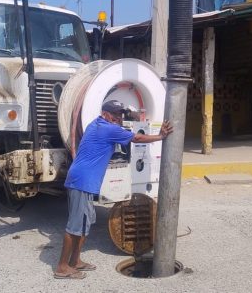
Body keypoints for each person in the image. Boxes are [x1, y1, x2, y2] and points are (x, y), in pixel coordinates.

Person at [54, 100, 172, 280]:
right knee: (74, 227)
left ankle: (76, 261)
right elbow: (137, 138)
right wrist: (160, 136)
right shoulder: (109, 129)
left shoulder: (96, 124)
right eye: (115, 114)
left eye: (120, 115)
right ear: (105, 113)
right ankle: (62, 267)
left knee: (84, 224)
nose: (118, 118)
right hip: (82, 182)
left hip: (81, 180)